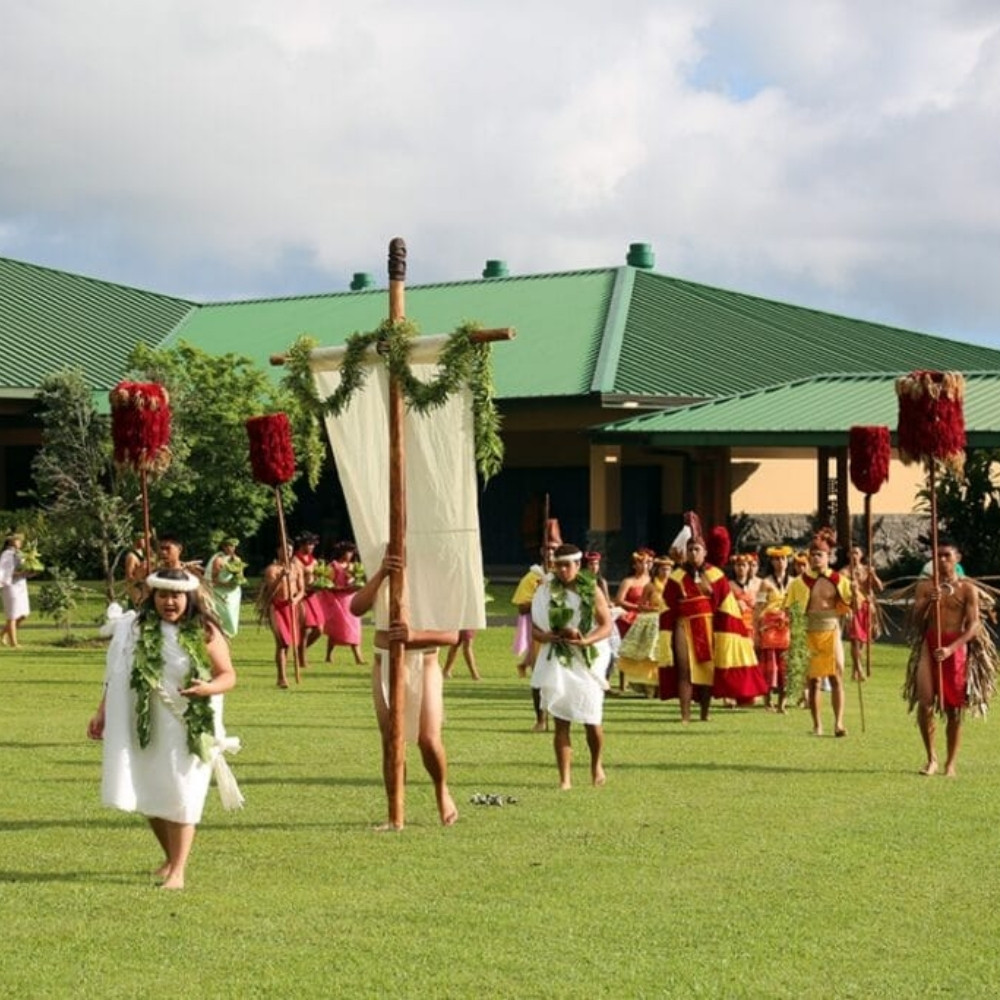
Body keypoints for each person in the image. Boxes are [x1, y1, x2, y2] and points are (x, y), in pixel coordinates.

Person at [86, 568, 239, 890]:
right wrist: (102, 711)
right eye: (163, 595)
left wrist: (207, 689)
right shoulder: (135, 628)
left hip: (188, 723)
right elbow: (117, 672)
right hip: (145, 721)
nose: (170, 602)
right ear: (152, 597)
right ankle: (171, 859)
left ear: (189, 598)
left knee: (183, 791)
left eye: (176, 596)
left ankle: (178, 872)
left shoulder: (205, 630)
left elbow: (228, 675)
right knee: (150, 790)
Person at [350, 552, 460, 829]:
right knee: (391, 739)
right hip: (384, 660)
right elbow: (355, 607)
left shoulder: (435, 579)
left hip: (424, 661)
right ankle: (394, 810)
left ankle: (441, 790)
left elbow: (452, 635)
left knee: (428, 738)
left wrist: (414, 636)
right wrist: (382, 573)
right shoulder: (381, 571)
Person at [531, 543, 613, 789]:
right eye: (559, 565)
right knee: (561, 719)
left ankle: (595, 764)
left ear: (579, 565)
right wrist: (546, 637)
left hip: (588, 657)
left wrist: (586, 640)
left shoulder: (592, 590)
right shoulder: (545, 590)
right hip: (559, 656)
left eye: (568, 565)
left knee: (591, 720)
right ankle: (564, 778)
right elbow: (534, 628)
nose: (563, 570)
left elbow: (606, 625)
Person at [910, 541, 979, 776]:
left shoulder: (967, 589)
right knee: (925, 703)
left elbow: (974, 626)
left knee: (954, 709)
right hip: (929, 645)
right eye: (937, 556)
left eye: (947, 556)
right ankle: (931, 758)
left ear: (957, 558)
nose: (941, 560)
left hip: (955, 648)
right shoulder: (925, 587)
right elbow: (916, 621)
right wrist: (929, 601)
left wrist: (952, 648)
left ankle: (951, 762)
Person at [784, 531, 854, 737]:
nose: (815, 558)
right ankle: (817, 725)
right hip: (808, 631)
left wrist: (858, 592)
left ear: (828, 557)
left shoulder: (839, 580)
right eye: (812, 554)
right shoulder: (798, 583)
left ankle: (839, 723)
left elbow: (852, 603)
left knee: (836, 677)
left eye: (819, 555)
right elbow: (791, 610)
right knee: (813, 680)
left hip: (831, 629)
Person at [511, 541, 556, 730]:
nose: (551, 553)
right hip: (540, 634)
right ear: (541, 551)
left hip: (562, 633)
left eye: (554, 549)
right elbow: (522, 607)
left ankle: (561, 719)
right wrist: (541, 597)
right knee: (539, 678)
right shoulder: (533, 577)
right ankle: (541, 719)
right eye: (547, 549)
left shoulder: (565, 577)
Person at [617, 555, 671, 695]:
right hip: (653, 621)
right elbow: (640, 605)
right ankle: (649, 686)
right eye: (662, 569)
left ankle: (666, 685)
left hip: (668, 620)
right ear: (657, 570)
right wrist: (653, 609)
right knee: (651, 654)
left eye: (668, 569)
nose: (665, 572)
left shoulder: (673, 585)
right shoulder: (650, 586)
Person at [756, 544, 793, 712]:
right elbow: (759, 606)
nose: (780, 562)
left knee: (785, 664)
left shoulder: (793, 582)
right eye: (776, 559)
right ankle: (767, 700)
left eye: (783, 558)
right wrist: (756, 629)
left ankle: (782, 703)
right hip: (769, 627)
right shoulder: (765, 583)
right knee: (769, 665)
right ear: (771, 562)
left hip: (786, 627)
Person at [261, 544, 304, 688]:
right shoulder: (271, 569)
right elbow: (269, 590)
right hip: (277, 608)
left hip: (292, 607)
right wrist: (280, 577)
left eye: (290, 550)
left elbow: (302, 589)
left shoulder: (296, 568)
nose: (287, 553)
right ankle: (282, 678)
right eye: (284, 550)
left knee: (289, 644)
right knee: (282, 643)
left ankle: (284, 674)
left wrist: (296, 599)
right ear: (278, 551)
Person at [322, 541, 366, 666]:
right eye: (348, 552)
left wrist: (357, 585)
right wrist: (342, 588)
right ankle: (329, 655)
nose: (350, 555)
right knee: (336, 630)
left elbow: (358, 580)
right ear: (342, 552)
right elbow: (328, 585)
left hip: (352, 600)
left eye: (352, 552)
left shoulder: (354, 567)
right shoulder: (333, 566)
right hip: (339, 600)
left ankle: (358, 657)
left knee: (354, 628)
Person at [843, 545, 883, 682]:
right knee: (855, 639)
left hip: (866, 606)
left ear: (861, 555)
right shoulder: (844, 572)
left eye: (857, 552)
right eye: (852, 552)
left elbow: (880, 588)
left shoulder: (867, 570)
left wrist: (873, 575)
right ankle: (859, 668)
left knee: (861, 641)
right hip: (852, 607)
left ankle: (855, 670)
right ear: (848, 555)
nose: (854, 555)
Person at [293, 533, 325, 668]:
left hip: (313, 596)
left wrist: (323, 582)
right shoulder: (296, 560)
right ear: (302, 545)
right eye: (309, 544)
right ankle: (302, 659)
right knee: (305, 629)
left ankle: (302, 649)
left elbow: (318, 575)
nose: (311, 547)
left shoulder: (314, 561)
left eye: (313, 545)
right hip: (302, 596)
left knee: (319, 629)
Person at [205, 537, 244, 638]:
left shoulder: (237, 559)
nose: (231, 548)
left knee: (232, 615)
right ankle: (221, 634)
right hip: (221, 592)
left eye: (233, 546)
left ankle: (228, 636)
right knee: (226, 615)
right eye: (229, 546)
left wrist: (237, 581)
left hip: (233, 593)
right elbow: (214, 580)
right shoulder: (218, 560)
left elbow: (240, 575)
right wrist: (226, 584)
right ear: (224, 547)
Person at [0, 533, 30, 648]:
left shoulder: (20, 554)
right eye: (17, 540)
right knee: (12, 615)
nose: (20, 542)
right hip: (10, 586)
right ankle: (14, 643)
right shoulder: (7, 554)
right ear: (11, 542)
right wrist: (21, 573)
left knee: (23, 614)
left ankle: (2, 634)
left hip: (21, 585)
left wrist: (30, 573)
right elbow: (5, 572)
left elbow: (22, 569)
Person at [122, 531, 149, 608]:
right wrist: (140, 580)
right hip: (135, 589)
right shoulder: (131, 557)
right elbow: (129, 576)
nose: (146, 542)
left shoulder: (141, 552)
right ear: (138, 540)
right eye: (144, 540)